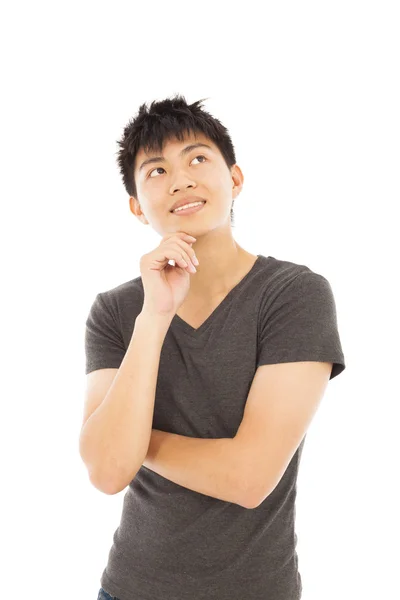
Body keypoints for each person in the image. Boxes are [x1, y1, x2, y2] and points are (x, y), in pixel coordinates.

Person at [82, 94, 346, 600]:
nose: (180, 179)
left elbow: (248, 479)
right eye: (156, 170)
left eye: (198, 158)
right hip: (130, 589)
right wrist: (155, 314)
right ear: (138, 207)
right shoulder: (115, 312)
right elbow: (106, 473)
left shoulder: (294, 295)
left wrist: (134, 443)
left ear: (236, 180)